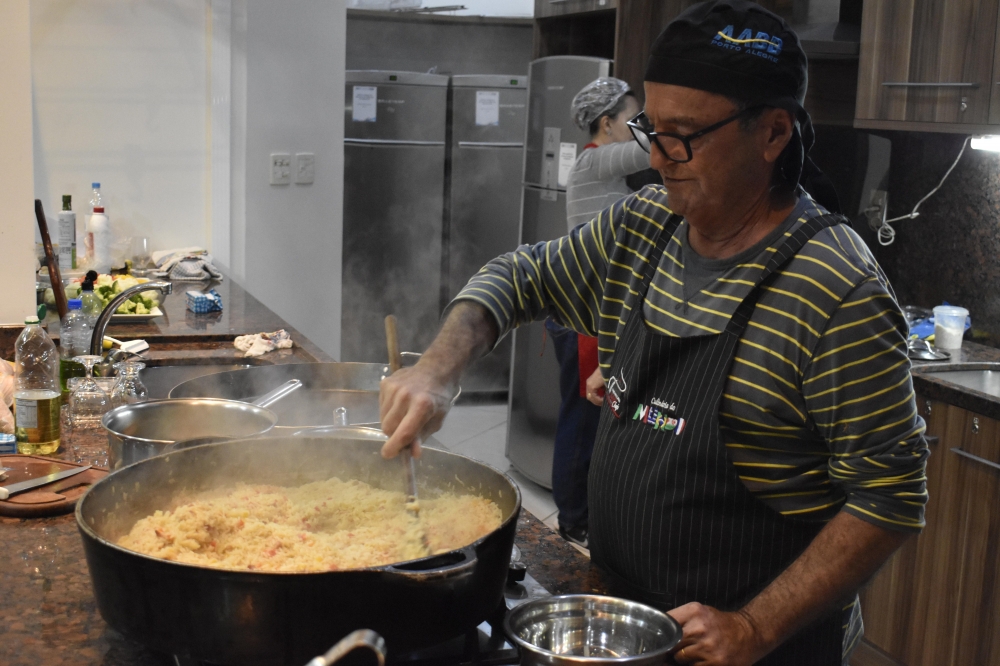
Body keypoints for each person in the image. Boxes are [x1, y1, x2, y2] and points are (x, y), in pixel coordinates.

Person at [378, 2, 928, 664]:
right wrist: (437, 370)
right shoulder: (643, 227)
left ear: (773, 132)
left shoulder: (837, 290)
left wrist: (755, 626)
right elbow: (519, 276)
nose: (659, 157)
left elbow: (889, 498)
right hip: (624, 619)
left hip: (751, 647)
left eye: (684, 136)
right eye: (651, 130)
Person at [548, 77, 648, 550]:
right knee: (582, 420)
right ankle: (572, 519)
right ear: (607, 124)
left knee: (591, 417)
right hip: (582, 314)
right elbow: (656, 151)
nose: (641, 126)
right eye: (635, 118)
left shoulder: (605, 173)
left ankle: (582, 513)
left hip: (591, 309)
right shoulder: (595, 160)